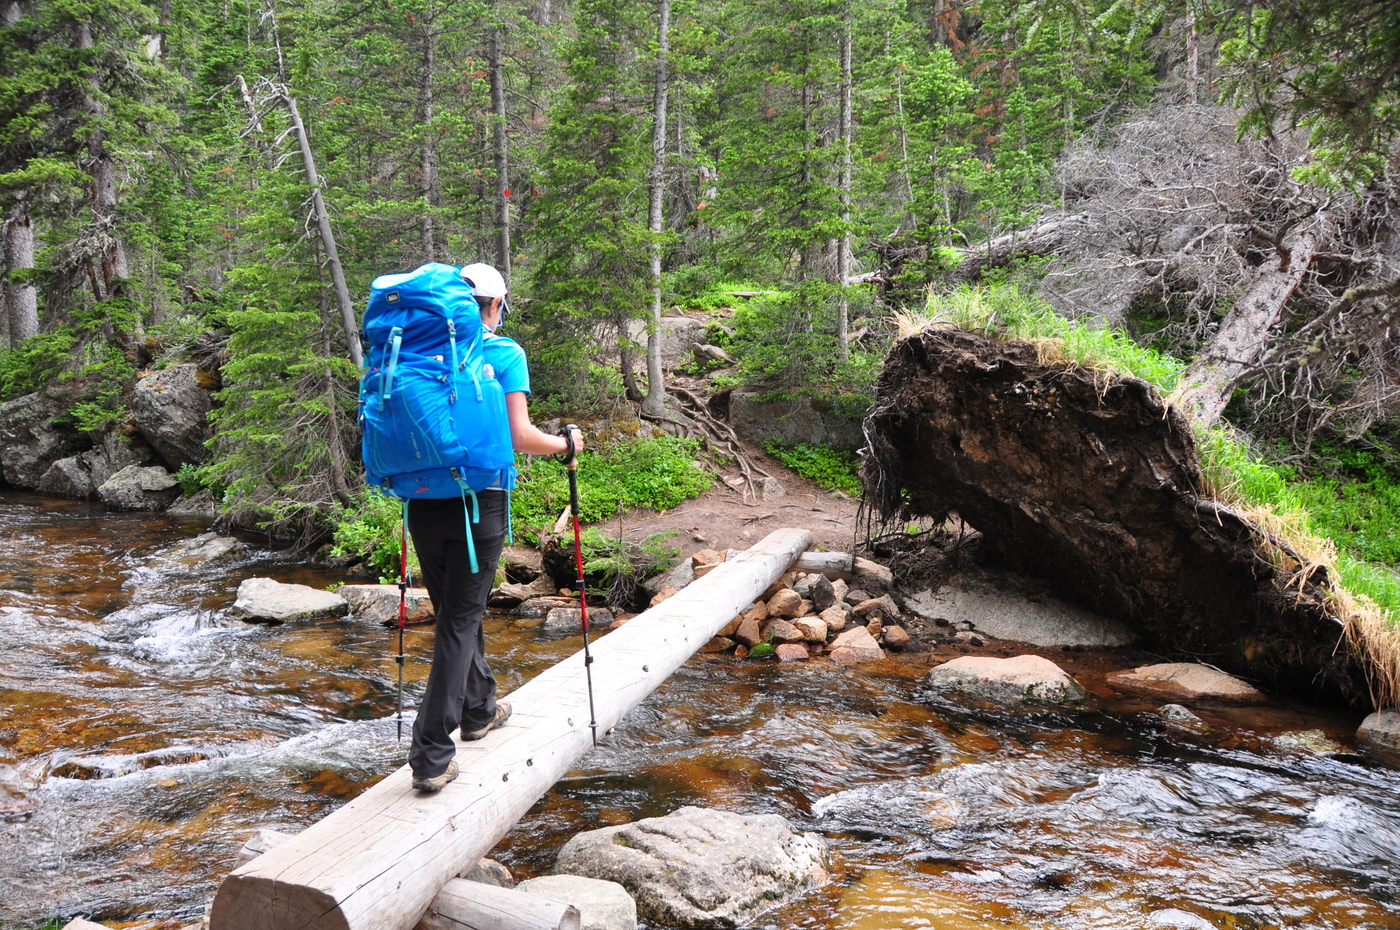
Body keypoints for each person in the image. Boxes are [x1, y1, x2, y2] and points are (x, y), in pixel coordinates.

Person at [409, 262, 583, 793]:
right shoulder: (503, 353)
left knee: (458, 612)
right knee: (459, 622)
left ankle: (479, 708)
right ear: (494, 305)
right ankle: (431, 752)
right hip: (479, 503)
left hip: (420, 502)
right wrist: (568, 445)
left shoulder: (417, 354)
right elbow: (520, 437)